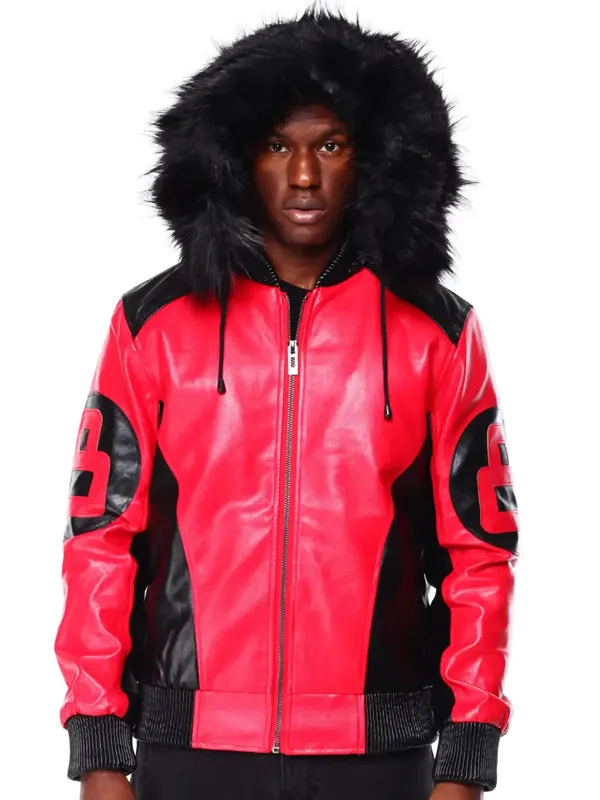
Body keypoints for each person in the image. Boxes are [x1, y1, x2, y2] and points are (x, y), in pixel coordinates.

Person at [54, 7, 519, 800]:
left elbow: (479, 554)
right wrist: (98, 745)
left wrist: (469, 754)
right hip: (193, 748)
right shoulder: (151, 325)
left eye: (330, 146)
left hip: (377, 753)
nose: (304, 176)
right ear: (236, 158)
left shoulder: (438, 333)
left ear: (373, 157)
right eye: (277, 146)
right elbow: (101, 540)